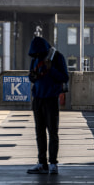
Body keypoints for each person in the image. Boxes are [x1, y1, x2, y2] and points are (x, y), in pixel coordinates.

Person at [27, 36, 69, 174]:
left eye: (39, 53)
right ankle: (42, 163)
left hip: (51, 98)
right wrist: (32, 75)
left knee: (52, 132)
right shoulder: (35, 58)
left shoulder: (57, 57)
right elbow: (31, 76)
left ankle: (53, 163)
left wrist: (51, 69)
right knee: (39, 133)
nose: (38, 56)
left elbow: (65, 77)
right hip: (38, 98)